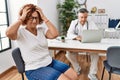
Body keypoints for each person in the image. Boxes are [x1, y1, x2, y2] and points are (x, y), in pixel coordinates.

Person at [6, 4, 78, 80]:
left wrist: (44, 17)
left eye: (36, 18)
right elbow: (8, 33)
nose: (34, 21)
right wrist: (21, 18)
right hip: (35, 68)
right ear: (25, 18)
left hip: (50, 62)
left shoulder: (41, 30)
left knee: (74, 76)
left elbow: (55, 34)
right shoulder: (20, 33)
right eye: (31, 18)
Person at [65, 8, 99, 80]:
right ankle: (77, 69)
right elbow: (69, 34)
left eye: (85, 17)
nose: (83, 19)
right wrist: (76, 37)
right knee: (68, 54)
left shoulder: (90, 22)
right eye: (81, 17)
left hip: (88, 44)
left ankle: (92, 74)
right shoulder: (74, 22)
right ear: (78, 16)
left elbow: (96, 32)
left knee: (95, 54)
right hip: (77, 44)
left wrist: (90, 36)